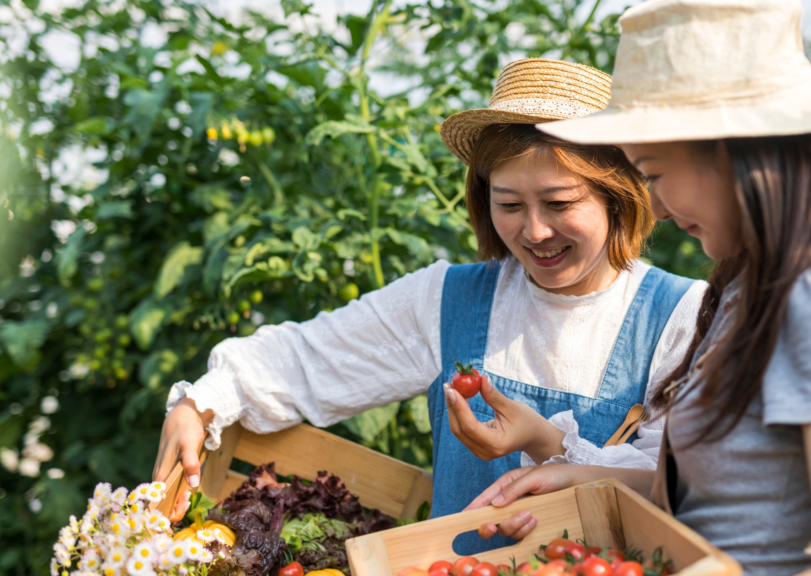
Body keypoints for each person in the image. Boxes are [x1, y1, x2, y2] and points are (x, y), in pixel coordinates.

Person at [465, 2, 811, 575]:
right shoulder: (748, 285)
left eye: (657, 174)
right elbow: (722, 510)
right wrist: (584, 476)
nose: (657, 210)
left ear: (736, 154)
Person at [152, 59, 707, 544]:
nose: (535, 231)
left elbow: (686, 488)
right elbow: (305, 360)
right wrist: (200, 404)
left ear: (619, 197)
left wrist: (547, 442)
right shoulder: (447, 299)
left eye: (559, 202)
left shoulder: (683, 318)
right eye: (508, 203)